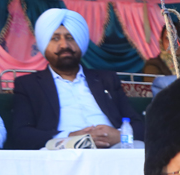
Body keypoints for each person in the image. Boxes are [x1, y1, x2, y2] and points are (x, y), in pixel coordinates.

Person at [11, 9, 144, 150]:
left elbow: (139, 125)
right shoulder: (29, 84)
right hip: (62, 150)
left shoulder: (107, 79)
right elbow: (21, 134)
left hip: (113, 148)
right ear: (44, 44)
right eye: (55, 38)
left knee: (140, 148)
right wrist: (70, 136)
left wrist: (120, 135)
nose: (64, 45)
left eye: (71, 38)